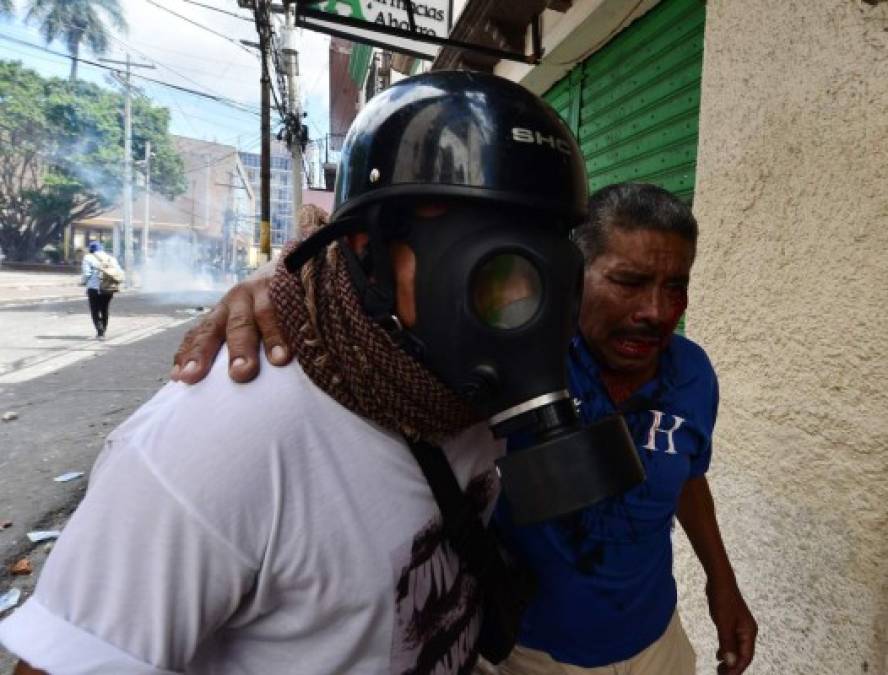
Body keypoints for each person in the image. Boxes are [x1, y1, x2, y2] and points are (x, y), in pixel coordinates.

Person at [0, 71, 592, 674]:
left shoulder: (465, 395)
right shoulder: (217, 447)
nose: (523, 307)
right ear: (367, 250)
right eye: (494, 268)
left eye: (550, 271)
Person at [171, 183, 758, 675]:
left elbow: (687, 479)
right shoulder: (511, 356)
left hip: (657, 642)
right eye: (629, 282)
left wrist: (723, 584)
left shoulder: (694, 375)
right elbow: (375, 294)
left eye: (675, 285)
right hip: (526, 652)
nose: (656, 311)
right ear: (571, 276)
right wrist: (278, 279)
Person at [81, 241, 123, 339]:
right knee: (104, 309)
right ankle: (103, 329)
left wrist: (83, 282)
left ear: (91, 249)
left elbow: (86, 274)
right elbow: (119, 272)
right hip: (108, 288)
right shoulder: (111, 258)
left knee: (95, 310)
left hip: (94, 288)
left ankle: (100, 331)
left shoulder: (88, 257)